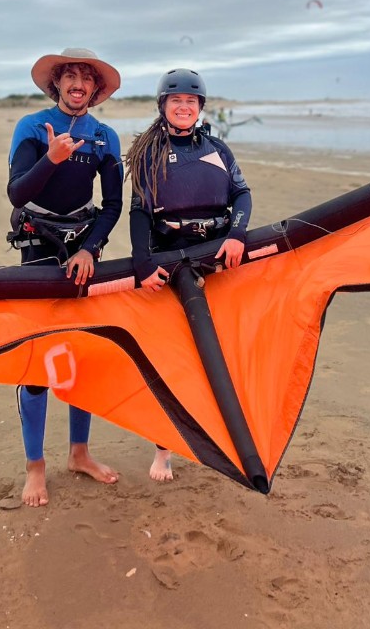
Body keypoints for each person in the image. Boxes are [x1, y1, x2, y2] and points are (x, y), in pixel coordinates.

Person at [7, 47, 123, 506]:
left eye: (85, 78)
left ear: (95, 90)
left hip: (82, 251)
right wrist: (52, 157)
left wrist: (92, 249)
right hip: (38, 246)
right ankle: (35, 467)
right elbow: (17, 192)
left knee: (81, 355)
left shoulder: (104, 136)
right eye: (69, 76)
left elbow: (112, 204)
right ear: (56, 85)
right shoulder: (32, 128)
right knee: (37, 363)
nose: (77, 84)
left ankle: (79, 453)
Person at [125, 67, 252, 482]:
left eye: (191, 102)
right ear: (163, 107)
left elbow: (242, 194)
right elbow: (141, 211)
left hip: (215, 260)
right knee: (173, 356)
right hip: (170, 262)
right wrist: (142, 262)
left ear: (200, 108)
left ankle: (227, 429)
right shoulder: (149, 153)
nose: (184, 107)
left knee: (224, 348)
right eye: (176, 101)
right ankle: (164, 450)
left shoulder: (218, 149)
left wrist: (236, 235)